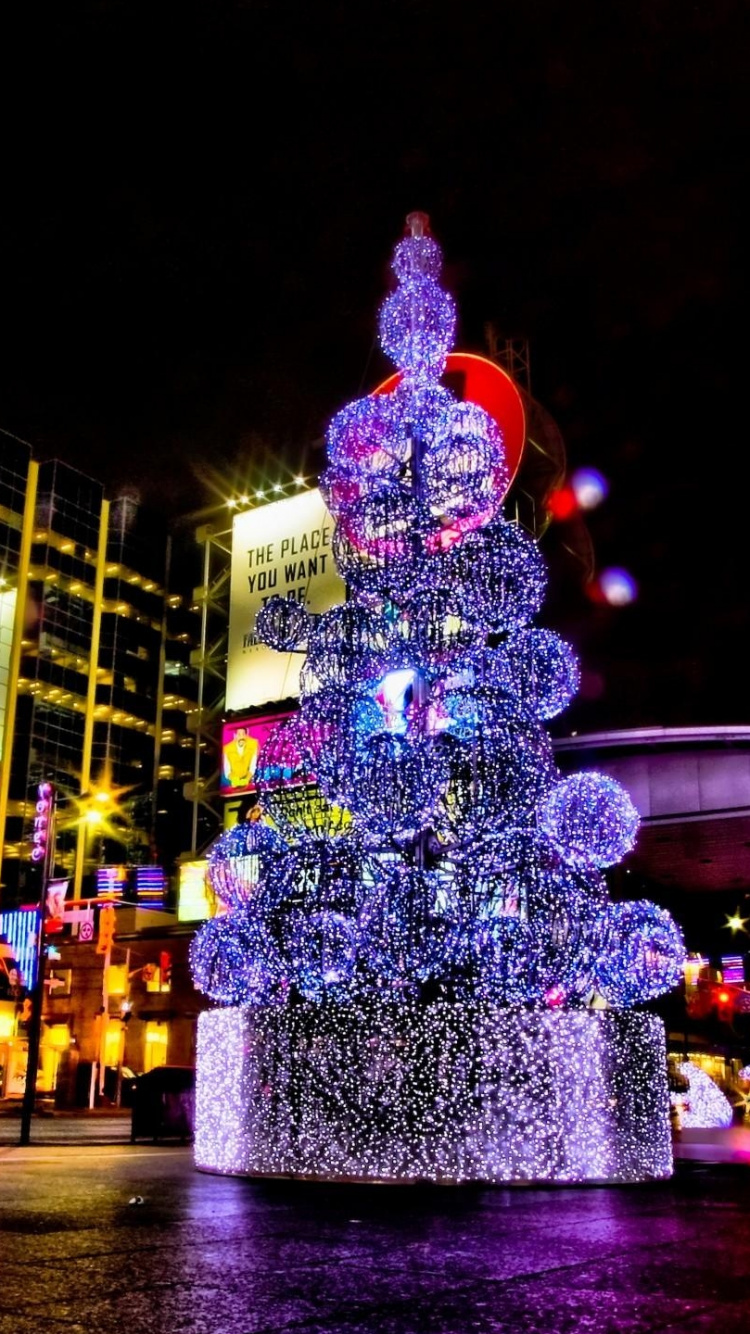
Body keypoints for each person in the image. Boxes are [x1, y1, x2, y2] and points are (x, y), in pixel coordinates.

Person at [222, 724, 259, 790]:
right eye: (239, 734)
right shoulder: (227, 748)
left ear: (246, 735)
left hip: (249, 779)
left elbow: (253, 765)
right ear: (235, 736)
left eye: (243, 734)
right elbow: (227, 770)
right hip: (233, 781)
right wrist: (234, 779)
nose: (241, 737)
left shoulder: (253, 744)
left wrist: (247, 779)